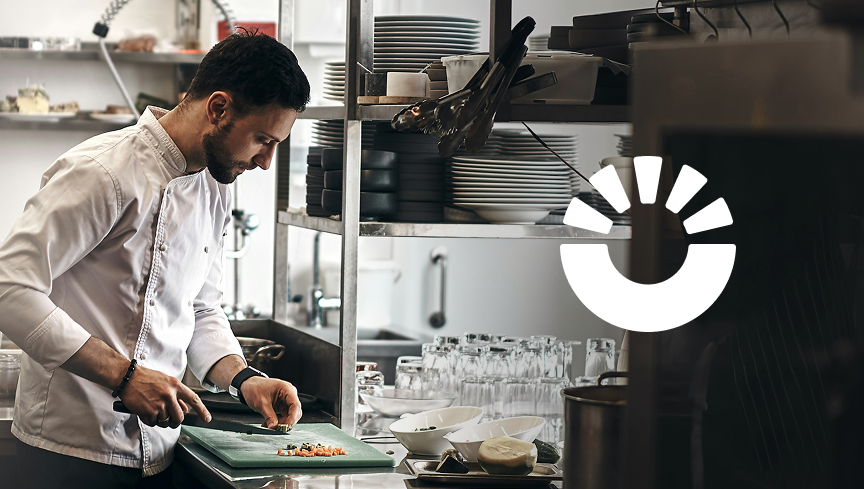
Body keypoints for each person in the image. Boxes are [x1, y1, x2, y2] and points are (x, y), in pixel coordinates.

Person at [0, 30, 310, 488]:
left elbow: (200, 307)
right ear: (218, 108)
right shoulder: (103, 171)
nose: (266, 162)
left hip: (160, 452)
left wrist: (243, 378)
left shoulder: (214, 188)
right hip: (68, 453)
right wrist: (124, 376)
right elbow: (10, 288)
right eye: (263, 139)